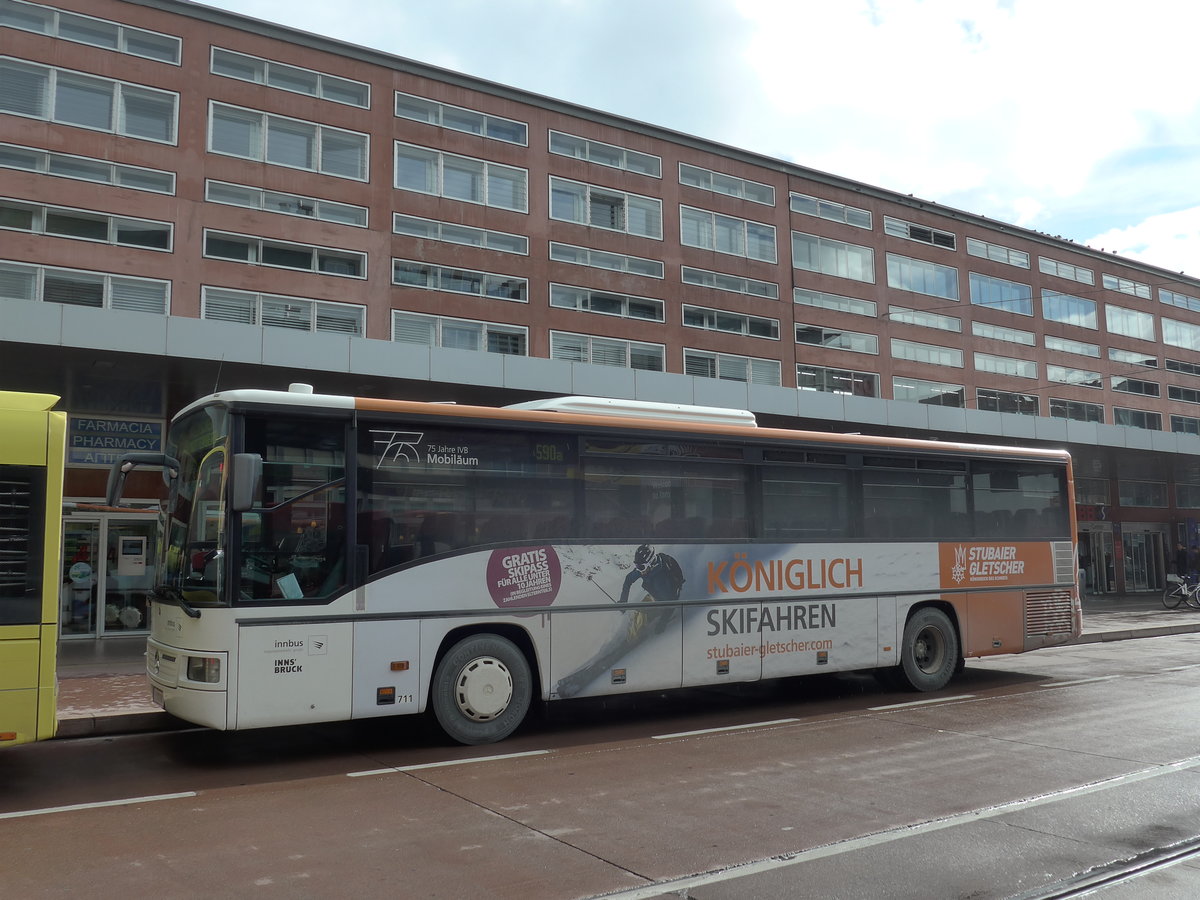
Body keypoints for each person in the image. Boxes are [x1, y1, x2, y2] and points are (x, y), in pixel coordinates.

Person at [619, 544, 684, 605]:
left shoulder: (660, 580)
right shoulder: (643, 569)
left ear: (651, 563)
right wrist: (623, 602)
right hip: (655, 595)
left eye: (641, 567)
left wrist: (663, 617)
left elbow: (670, 603)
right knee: (638, 613)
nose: (638, 570)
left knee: (642, 615)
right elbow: (628, 579)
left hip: (666, 601)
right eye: (636, 566)